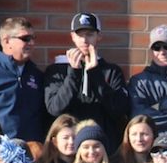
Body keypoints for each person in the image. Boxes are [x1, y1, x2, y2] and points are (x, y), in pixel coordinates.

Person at [42, 12, 130, 140]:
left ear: (99, 36)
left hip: (101, 144)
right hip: (68, 144)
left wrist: (95, 73)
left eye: (90, 34)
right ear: (72, 36)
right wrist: (74, 73)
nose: (84, 40)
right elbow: (55, 108)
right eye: (80, 35)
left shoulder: (112, 71)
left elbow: (119, 110)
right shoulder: (57, 70)